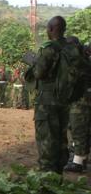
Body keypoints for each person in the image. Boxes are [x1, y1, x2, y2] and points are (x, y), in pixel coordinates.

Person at [32, 16, 80, 173]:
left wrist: (33, 62)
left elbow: (39, 73)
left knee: (47, 140)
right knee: (61, 140)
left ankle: (46, 179)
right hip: (65, 99)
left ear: (51, 29)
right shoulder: (72, 48)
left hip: (47, 101)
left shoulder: (49, 48)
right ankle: (57, 177)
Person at [64, 36, 91, 172]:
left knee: (78, 128)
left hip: (81, 100)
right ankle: (81, 159)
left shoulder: (79, 62)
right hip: (81, 99)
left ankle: (78, 162)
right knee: (80, 129)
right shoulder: (82, 60)